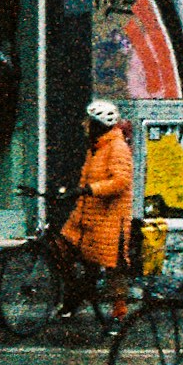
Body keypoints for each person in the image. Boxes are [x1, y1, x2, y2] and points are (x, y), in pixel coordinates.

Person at [58, 99, 136, 314]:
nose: (84, 124)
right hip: (87, 217)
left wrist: (89, 190)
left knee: (113, 267)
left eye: (88, 121)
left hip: (109, 220)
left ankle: (119, 315)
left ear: (98, 124)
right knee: (63, 250)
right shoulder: (96, 147)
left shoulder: (116, 147)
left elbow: (121, 182)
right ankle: (75, 298)